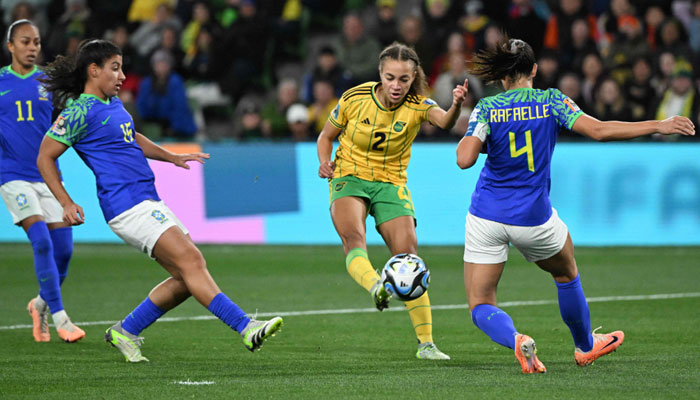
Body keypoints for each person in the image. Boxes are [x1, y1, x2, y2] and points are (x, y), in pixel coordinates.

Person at [456, 38, 694, 373]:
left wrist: (478, 133)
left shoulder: (487, 108)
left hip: (486, 214)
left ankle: (516, 339)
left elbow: (464, 159)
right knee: (566, 273)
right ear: (534, 69)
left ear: (500, 76)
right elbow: (598, 130)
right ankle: (585, 347)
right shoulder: (552, 101)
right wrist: (659, 124)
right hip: (532, 217)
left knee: (480, 302)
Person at [36, 39, 283, 362]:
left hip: (147, 199)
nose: (122, 75)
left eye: (121, 67)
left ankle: (126, 329)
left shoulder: (113, 105)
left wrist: (171, 157)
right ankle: (245, 326)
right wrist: (66, 202)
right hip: (126, 205)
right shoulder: (79, 110)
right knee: (192, 262)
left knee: (185, 277)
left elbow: (131, 136)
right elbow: (45, 156)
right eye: (115, 68)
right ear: (93, 71)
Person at [317, 42, 468, 360]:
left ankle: (426, 344)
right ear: (380, 75)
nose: (396, 85)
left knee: (409, 257)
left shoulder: (418, 106)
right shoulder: (355, 98)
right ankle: (377, 287)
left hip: (391, 183)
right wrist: (324, 161)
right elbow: (326, 136)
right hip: (349, 176)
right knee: (354, 239)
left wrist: (454, 104)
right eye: (390, 78)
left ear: (414, 77)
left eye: (403, 79)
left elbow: (445, 122)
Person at [0, 19, 84, 343]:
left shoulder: (48, 83)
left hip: (47, 177)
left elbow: (66, 124)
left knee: (63, 251)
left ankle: (39, 305)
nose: (32, 48)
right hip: (12, 176)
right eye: (25, 42)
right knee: (41, 241)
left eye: (36, 42)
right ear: (10, 46)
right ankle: (61, 318)